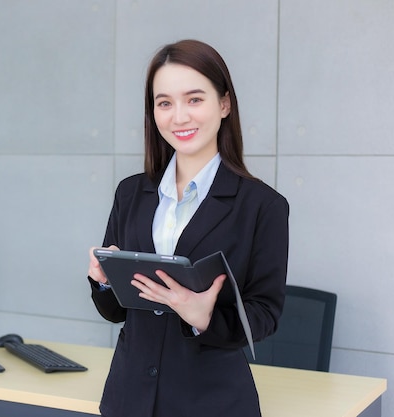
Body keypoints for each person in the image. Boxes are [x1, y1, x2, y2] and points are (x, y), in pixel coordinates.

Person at [87, 39, 289, 417]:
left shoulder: (263, 206)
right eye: (164, 103)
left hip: (210, 403)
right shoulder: (131, 193)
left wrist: (204, 318)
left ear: (224, 104)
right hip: (128, 399)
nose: (178, 117)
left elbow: (265, 314)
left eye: (194, 99)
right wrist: (102, 279)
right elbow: (116, 311)